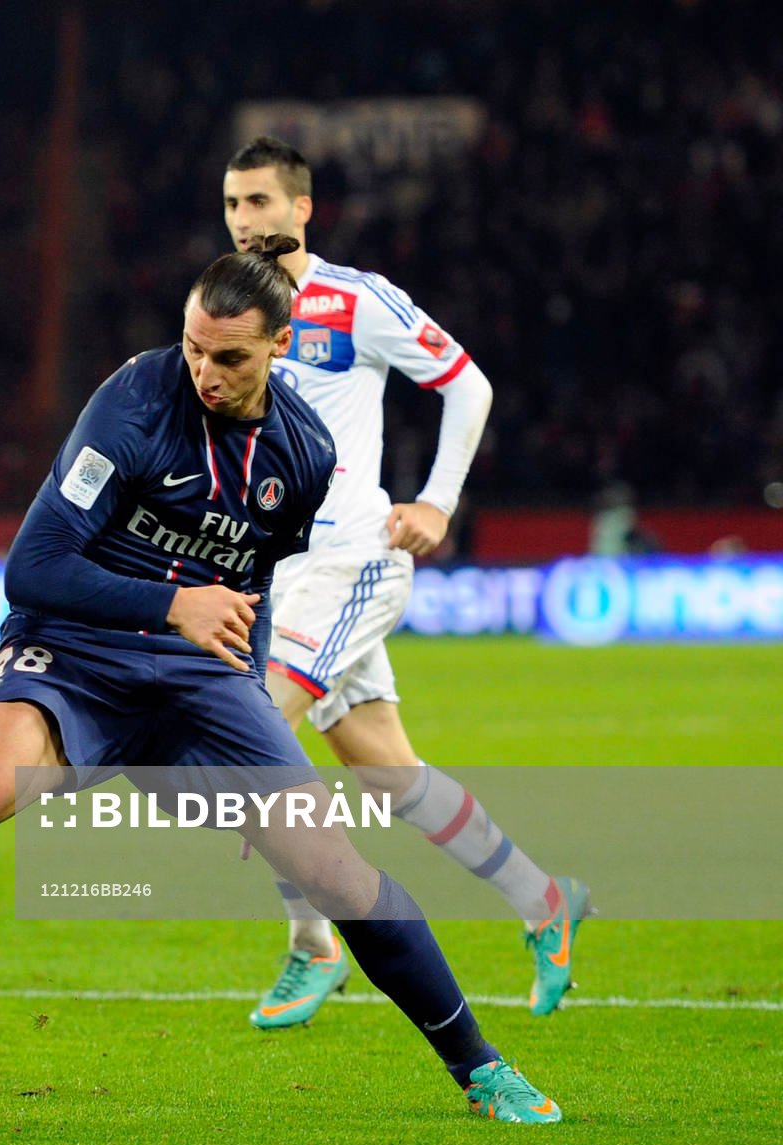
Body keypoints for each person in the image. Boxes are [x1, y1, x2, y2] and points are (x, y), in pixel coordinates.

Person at [0, 239, 563, 1123]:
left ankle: (480, 1067)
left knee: (334, 867)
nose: (206, 373)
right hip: (74, 647)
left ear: (279, 342)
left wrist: (254, 736)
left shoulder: (304, 455)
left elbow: (250, 594)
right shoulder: (133, 399)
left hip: (201, 679)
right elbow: (32, 567)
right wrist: (172, 603)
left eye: (230, 357)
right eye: (194, 347)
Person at [220, 137, 591, 1025]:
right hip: (276, 575)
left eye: (260, 203)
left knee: (249, 735)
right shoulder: (229, 313)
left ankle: (314, 943)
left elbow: (469, 385)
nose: (244, 220)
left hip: (353, 558)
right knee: (391, 775)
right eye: (233, 204)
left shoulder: (356, 300)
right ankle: (544, 900)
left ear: (302, 209)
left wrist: (437, 501)